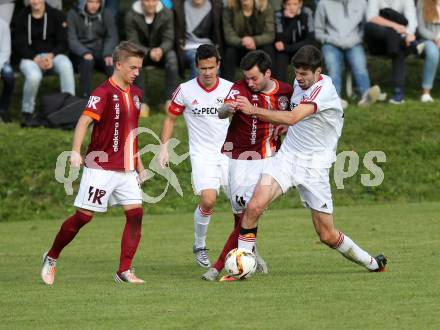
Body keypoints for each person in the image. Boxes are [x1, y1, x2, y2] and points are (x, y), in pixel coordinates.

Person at [230, 45, 387, 279]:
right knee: (253, 208)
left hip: (314, 167)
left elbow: (294, 115)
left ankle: (372, 262)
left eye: (305, 74)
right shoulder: (299, 83)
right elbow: (297, 119)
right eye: (297, 73)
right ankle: (241, 268)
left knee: (327, 235)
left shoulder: (324, 89)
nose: (299, 79)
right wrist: (287, 126)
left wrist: (254, 110)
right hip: (287, 158)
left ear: (318, 71)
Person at [41, 41, 147, 285]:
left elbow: (133, 132)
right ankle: (52, 256)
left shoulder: (137, 94)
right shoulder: (102, 93)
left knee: (136, 215)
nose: (136, 73)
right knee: (83, 217)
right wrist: (75, 152)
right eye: (133, 68)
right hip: (100, 167)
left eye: (139, 68)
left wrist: (139, 164)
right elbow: (83, 122)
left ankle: (124, 270)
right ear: (118, 65)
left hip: (127, 169)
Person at [202, 50, 293, 281]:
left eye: (254, 78)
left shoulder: (285, 92)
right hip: (240, 160)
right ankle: (249, 253)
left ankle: (218, 266)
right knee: (241, 216)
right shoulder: (239, 88)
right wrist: (228, 109)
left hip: (270, 159)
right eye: (247, 78)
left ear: (268, 73)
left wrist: (287, 128)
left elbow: (295, 118)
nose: (249, 83)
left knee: (251, 211)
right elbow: (222, 113)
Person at [158, 45, 233, 267]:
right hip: (202, 155)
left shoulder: (230, 89)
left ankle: (247, 249)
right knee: (208, 200)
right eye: (203, 68)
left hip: (229, 154)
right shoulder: (185, 90)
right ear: (196, 66)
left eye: (211, 67)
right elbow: (170, 119)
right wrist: (164, 147)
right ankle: (199, 245)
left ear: (218, 65)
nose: (208, 72)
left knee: (241, 205)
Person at [14, 0, 75, 127]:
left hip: (53, 56)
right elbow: (19, 45)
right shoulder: (21, 17)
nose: (35, 1)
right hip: (30, 58)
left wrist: (51, 56)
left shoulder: (56, 15)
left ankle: (70, 110)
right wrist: (35, 58)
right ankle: (27, 113)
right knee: (34, 76)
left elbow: (63, 42)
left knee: (66, 65)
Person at [315, 0, 381, 108]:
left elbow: (366, 28)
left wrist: (357, 39)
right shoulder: (323, 3)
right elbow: (318, 32)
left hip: (354, 43)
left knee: (360, 66)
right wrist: (331, 39)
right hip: (331, 43)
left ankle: (366, 96)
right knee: (333, 67)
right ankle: (335, 99)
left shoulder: (362, 3)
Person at [125, 0, 179, 111]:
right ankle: (141, 103)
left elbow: (169, 38)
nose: (150, 4)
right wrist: (149, 52)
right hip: (141, 53)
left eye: (153, 0)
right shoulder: (130, 15)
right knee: (134, 58)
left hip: (161, 53)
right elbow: (132, 42)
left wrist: (161, 50)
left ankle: (170, 101)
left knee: (172, 57)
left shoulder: (167, 13)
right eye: (147, 1)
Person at [364, 0, 418, 104]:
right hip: (377, 43)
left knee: (399, 47)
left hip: (398, 43)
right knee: (370, 26)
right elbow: (371, 18)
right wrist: (394, 26)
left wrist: (409, 35)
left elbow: (411, 22)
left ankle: (398, 92)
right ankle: (398, 93)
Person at [67, 0, 119, 98]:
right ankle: (86, 99)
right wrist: (84, 52)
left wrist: (107, 53)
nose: (94, 5)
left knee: (110, 63)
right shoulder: (72, 14)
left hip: (100, 51)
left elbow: (112, 36)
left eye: (97, 2)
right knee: (87, 62)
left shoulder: (106, 13)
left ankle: (117, 100)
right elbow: (72, 40)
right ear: (84, 2)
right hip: (80, 52)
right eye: (91, 2)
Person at [222, 0, 276, 81]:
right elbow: (229, 35)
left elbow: (270, 34)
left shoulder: (265, 7)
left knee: (269, 49)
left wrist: (254, 40)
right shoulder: (229, 8)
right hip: (239, 45)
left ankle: (272, 84)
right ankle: (227, 87)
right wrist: (242, 42)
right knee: (230, 51)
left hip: (258, 46)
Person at [173, 0, 223, 78]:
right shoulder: (179, 6)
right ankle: (195, 90)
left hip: (209, 47)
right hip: (187, 47)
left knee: (214, 65)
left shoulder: (215, 6)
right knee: (197, 60)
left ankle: (213, 90)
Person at [273, 0, 316, 82]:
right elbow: (280, 40)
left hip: (300, 48)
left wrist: (287, 47)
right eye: (288, 4)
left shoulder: (307, 13)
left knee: (307, 54)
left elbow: (310, 40)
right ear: (284, 5)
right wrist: (291, 20)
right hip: (285, 51)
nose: (292, 7)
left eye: (295, 4)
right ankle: (280, 90)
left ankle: (307, 88)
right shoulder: (279, 15)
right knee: (280, 57)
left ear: (300, 4)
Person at [416, 0, 440, 102]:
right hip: (428, 39)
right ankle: (426, 93)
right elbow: (421, 29)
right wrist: (436, 38)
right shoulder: (423, 2)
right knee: (433, 53)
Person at [0, 18, 14, 123]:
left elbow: (5, 51)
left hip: (1, 61)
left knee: (8, 75)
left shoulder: (3, 24)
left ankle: (3, 109)